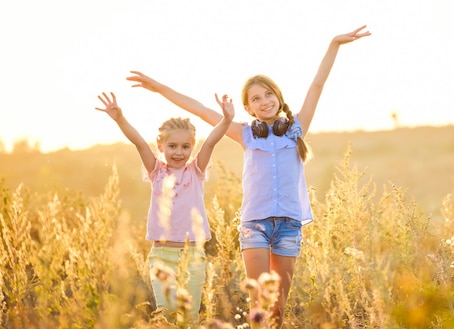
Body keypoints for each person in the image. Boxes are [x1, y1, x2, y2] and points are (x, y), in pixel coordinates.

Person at [126, 25, 371, 326]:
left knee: (278, 307)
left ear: (278, 97)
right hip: (254, 224)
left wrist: (334, 44)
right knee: (258, 304)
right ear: (247, 107)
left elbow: (316, 86)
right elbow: (202, 110)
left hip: (289, 225)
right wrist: (159, 87)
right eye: (256, 98)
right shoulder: (245, 135)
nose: (264, 101)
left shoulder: (296, 130)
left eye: (269, 94)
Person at [95, 91, 234, 323]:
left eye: (185, 147)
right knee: (167, 316)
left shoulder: (196, 171)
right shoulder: (156, 171)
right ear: (160, 146)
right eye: (172, 146)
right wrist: (120, 118)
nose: (179, 152)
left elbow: (210, 141)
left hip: (193, 257)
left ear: (192, 147)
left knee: (188, 317)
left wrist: (226, 120)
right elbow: (139, 143)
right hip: (162, 256)